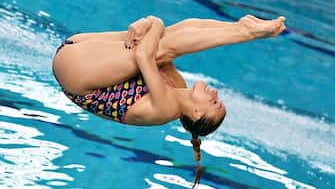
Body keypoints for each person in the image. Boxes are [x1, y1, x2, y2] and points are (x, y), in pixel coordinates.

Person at [52, 15, 286, 188]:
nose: (215, 94)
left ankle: (246, 33)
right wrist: (154, 27)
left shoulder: (166, 109)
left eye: (214, 103)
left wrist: (152, 21)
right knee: (168, 37)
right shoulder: (178, 86)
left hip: (77, 75)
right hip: (78, 51)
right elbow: (173, 39)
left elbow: (146, 55)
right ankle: (238, 26)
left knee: (160, 45)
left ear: (195, 113)